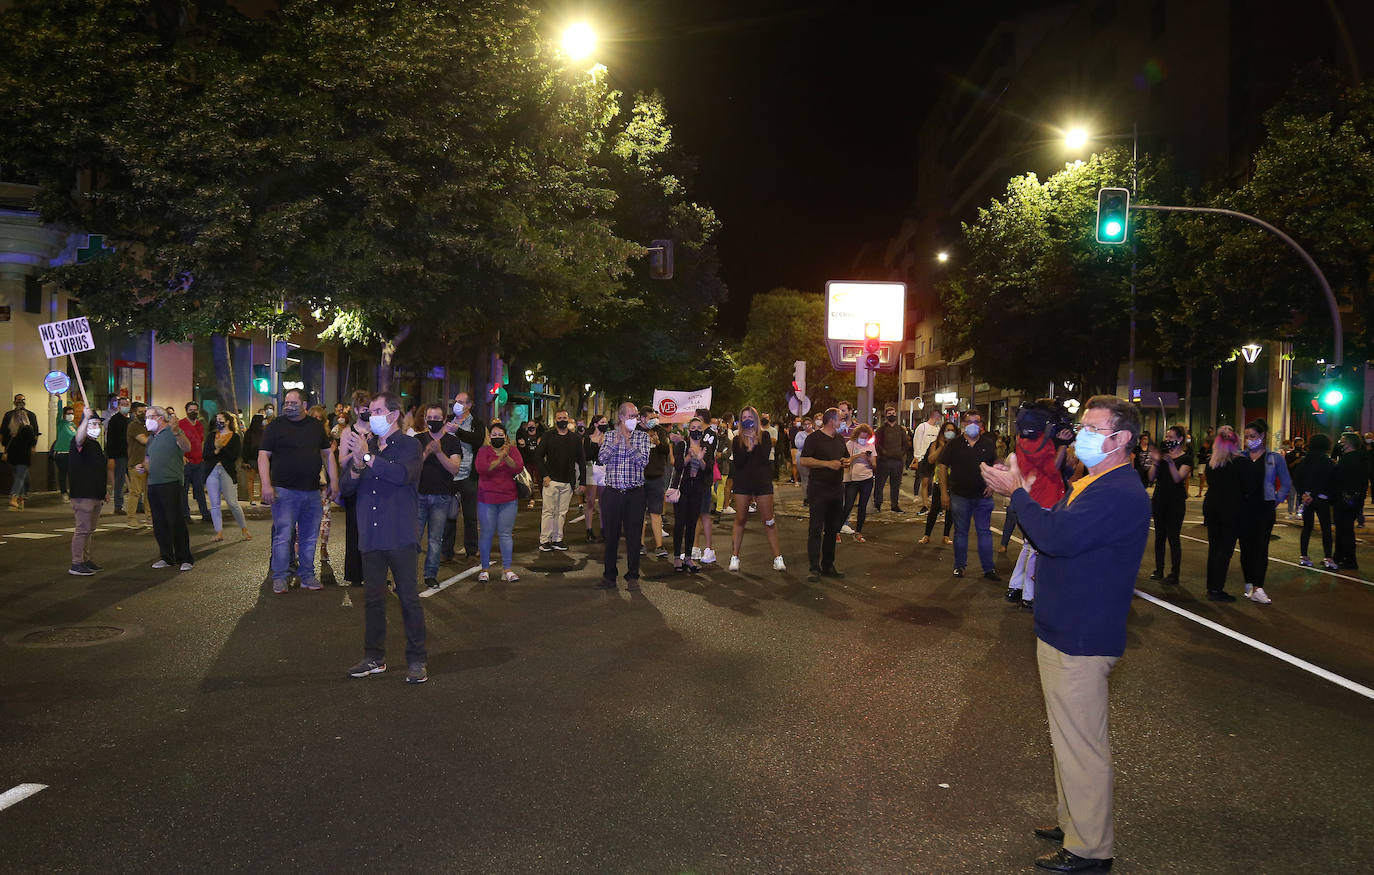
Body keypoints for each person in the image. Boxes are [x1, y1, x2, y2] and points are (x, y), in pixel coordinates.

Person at [979, 395, 1149, 875]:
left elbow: (1054, 538)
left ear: (1121, 440)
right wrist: (1023, 490)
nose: (1082, 435)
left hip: (1082, 634)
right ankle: (1074, 822)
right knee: (1067, 739)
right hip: (1066, 627)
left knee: (1082, 745)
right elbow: (1052, 527)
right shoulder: (1094, 483)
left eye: (1094, 428)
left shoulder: (1117, 491)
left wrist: (1017, 493)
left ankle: (1090, 848)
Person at [341, 392, 427, 684]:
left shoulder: (410, 445)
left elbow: (401, 474)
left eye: (376, 411)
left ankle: (416, 660)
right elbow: (345, 490)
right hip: (372, 536)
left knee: (408, 599)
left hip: (400, 534)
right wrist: (356, 464)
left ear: (393, 415)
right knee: (373, 600)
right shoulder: (367, 447)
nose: (370, 416)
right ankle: (374, 657)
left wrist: (366, 456)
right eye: (368, 411)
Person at [257, 389, 338, 594]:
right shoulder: (276, 426)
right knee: (283, 536)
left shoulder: (315, 427)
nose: (288, 406)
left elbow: (328, 455)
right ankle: (280, 577)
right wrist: (266, 484)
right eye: (286, 402)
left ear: (304, 405)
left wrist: (334, 482)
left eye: (294, 402)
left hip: (311, 492)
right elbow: (263, 456)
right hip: (283, 491)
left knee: (310, 537)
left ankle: (307, 575)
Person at [1003, 401, 1073, 609]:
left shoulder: (1027, 437)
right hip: (1043, 497)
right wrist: (1062, 445)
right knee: (1037, 548)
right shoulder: (1038, 440)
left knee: (1029, 546)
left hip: (1035, 495)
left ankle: (1016, 586)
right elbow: (1052, 468)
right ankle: (1029, 595)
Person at [940, 409, 1001, 581]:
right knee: (960, 532)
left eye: (977, 421)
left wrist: (992, 484)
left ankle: (988, 569)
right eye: (969, 421)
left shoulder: (988, 444)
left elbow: (995, 465)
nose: (973, 425)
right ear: (963, 424)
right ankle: (959, 567)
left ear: (981, 425)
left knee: (984, 532)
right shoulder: (954, 444)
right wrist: (944, 493)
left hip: (983, 496)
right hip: (960, 495)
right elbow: (943, 467)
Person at [595, 401, 650, 591]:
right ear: (621, 417)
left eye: (636, 416)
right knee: (611, 535)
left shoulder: (642, 437)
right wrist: (617, 442)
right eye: (631, 416)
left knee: (634, 536)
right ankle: (609, 575)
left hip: (635, 493)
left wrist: (627, 443)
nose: (634, 420)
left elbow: (643, 462)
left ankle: (633, 575)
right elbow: (601, 458)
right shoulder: (609, 435)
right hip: (613, 493)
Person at [727, 406, 786, 572]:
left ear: (756, 419)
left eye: (750, 416)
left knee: (769, 520)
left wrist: (755, 443)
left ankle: (777, 557)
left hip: (762, 482)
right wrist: (748, 447)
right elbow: (738, 462)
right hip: (743, 483)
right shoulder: (736, 439)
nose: (747, 419)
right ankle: (734, 556)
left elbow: (764, 457)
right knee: (740, 519)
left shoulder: (765, 436)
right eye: (744, 416)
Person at [1237, 419, 1290, 605]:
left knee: (1261, 547)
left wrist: (1275, 499)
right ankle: (1249, 583)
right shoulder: (1240, 457)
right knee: (1245, 548)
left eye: (1252, 436)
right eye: (1246, 436)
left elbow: (1286, 483)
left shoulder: (1274, 458)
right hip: (1243, 508)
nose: (1248, 440)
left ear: (1262, 436)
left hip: (1264, 508)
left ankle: (1259, 587)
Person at [416, 403, 464, 587]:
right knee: (413, 539)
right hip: (419, 495)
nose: (433, 421)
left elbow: (454, 468)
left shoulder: (452, 442)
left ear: (444, 420)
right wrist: (427, 451)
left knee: (435, 540)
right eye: (430, 418)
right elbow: (412, 467)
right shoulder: (418, 439)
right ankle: (406, 576)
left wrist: (439, 452)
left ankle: (430, 576)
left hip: (442, 497)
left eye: (437, 418)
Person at [140, 406, 194, 570]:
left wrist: (177, 431)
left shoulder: (173, 432)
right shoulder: (151, 438)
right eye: (146, 417)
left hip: (171, 482)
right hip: (153, 484)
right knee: (159, 522)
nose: (147, 420)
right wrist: (142, 467)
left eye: (150, 416)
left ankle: (184, 558)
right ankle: (166, 556)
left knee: (175, 521)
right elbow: (147, 459)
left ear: (160, 418)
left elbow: (187, 447)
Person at [799, 407, 849, 582]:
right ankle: (814, 567)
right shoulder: (814, 439)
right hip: (819, 489)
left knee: (832, 529)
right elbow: (804, 460)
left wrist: (845, 461)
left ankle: (828, 564)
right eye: (841, 418)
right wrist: (827, 464)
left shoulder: (839, 439)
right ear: (832, 421)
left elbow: (845, 457)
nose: (843, 421)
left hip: (836, 489)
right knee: (815, 529)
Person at [1202, 426, 1247, 601]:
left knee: (1214, 549)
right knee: (1225, 551)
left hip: (1212, 507)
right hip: (1231, 510)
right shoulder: (1240, 463)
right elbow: (1248, 487)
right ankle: (1216, 588)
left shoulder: (1211, 463)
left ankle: (1211, 586)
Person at [474, 422, 523, 582]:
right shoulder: (483, 451)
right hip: (487, 499)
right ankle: (484, 569)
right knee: (486, 534)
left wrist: (505, 456)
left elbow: (518, 467)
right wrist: (498, 459)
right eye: (494, 435)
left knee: (505, 534)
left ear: (506, 436)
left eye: (500, 435)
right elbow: (482, 469)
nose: (497, 438)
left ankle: (507, 569)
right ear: (489, 437)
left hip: (508, 499)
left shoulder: (512, 450)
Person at [442, 391, 486, 563]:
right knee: (449, 514)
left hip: (468, 474)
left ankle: (472, 551)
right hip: (450, 474)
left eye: (461, 402)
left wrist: (458, 431)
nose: (457, 404)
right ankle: (446, 551)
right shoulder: (448, 420)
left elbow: (478, 440)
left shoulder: (476, 423)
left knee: (470, 515)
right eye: (456, 401)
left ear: (469, 405)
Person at [1146, 425, 1193, 586]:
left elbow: (1178, 478)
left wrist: (1170, 463)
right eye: (1167, 437)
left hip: (1175, 502)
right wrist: (1157, 462)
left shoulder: (1186, 458)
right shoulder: (1163, 455)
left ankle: (1174, 573)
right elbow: (1151, 477)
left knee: (1173, 537)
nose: (1168, 440)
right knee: (1159, 537)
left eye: (1171, 437)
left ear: (1180, 439)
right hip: (1159, 499)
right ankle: (1159, 569)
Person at [534, 409, 585, 553]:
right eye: (559, 418)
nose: (562, 420)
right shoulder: (548, 436)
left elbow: (581, 460)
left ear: (568, 420)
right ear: (555, 420)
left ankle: (557, 539)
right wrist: (545, 475)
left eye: (564, 417)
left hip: (567, 482)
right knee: (548, 511)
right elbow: (538, 456)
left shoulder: (575, 438)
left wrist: (582, 482)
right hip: (551, 481)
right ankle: (545, 540)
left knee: (562, 512)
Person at [669, 416, 715, 573]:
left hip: (697, 489)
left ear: (702, 430)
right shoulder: (682, 445)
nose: (696, 431)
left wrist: (700, 459)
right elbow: (678, 465)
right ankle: (676, 557)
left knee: (692, 523)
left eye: (699, 428)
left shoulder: (706, 447)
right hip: (682, 489)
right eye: (693, 428)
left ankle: (688, 557)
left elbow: (708, 469)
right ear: (689, 430)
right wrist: (690, 456)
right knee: (680, 522)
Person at [337, 391, 373, 587]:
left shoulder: (377, 430)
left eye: (370, 409)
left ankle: (373, 572)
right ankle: (355, 574)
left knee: (374, 529)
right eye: (364, 409)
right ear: (357, 410)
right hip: (354, 482)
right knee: (354, 529)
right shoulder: (348, 432)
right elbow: (342, 461)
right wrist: (357, 451)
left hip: (374, 483)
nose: (367, 412)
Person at [66, 407, 108, 575]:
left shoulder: (95, 445)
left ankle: (85, 559)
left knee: (90, 529)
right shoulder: (79, 442)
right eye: (93, 423)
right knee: (82, 529)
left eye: (98, 424)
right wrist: (85, 419)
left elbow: (99, 470)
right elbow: (79, 438)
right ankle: (76, 563)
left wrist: (103, 491)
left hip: (95, 493)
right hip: (83, 494)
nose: (96, 426)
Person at [205, 410, 250, 542]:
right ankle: (218, 532)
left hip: (227, 471)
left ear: (228, 421)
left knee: (232, 502)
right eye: (217, 419)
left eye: (221, 419)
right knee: (214, 504)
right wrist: (216, 450)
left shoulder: (235, 437)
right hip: (212, 471)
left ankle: (244, 528)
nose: (218, 422)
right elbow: (206, 455)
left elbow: (234, 456)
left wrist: (221, 448)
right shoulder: (212, 435)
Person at [1294, 432, 1336, 570]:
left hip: (1307, 498)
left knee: (1307, 528)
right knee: (1326, 529)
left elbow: (1297, 478)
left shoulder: (1304, 460)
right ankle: (1328, 557)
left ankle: (1304, 556)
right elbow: (1328, 481)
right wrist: (1316, 493)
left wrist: (1303, 494)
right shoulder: (1327, 462)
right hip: (1321, 498)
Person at [636, 412, 670, 558]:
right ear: (642, 418)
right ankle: (640, 544)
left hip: (656, 477)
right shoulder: (635, 432)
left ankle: (659, 546)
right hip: (639, 477)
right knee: (639, 513)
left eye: (655, 417)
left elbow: (666, 451)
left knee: (656, 512)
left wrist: (658, 443)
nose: (654, 420)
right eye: (651, 417)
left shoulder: (660, 431)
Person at [918, 421, 957, 545]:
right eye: (947, 430)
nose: (949, 432)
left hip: (954, 481)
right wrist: (942, 447)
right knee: (934, 509)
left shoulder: (957, 445)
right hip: (939, 481)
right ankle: (927, 535)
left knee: (950, 510)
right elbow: (930, 459)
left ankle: (946, 535)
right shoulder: (936, 444)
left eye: (951, 430)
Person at [1332, 430, 1365, 571]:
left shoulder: (1349, 459)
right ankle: (1338, 557)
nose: (1340, 444)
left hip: (1346, 500)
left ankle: (1350, 560)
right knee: (1342, 530)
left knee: (1345, 531)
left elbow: (1339, 478)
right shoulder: (1360, 458)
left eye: (1342, 441)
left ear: (1349, 444)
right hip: (1352, 500)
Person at [841, 422, 878, 541]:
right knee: (848, 505)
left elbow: (875, 466)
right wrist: (858, 456)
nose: (863, 440)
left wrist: (869, 460)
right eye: (861, 437)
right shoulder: (850, 444)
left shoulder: (871, 446)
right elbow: (845, 460)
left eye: (865, 437)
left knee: (862, 507)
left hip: (867, 479)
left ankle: (858, 532)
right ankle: (835, 530)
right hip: (852, 480)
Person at [872, 405, 909, 513]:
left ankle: (895, 505)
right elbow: (877, 443)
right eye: (889, 414)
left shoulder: (900, 429)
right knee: (880, 484)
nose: (892, 415)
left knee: (896, 485)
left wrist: (901, 454)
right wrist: (883, 453)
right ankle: (878, 503)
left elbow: (905, 444)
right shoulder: (881, 430)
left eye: (893, 413)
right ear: (886, 416)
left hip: (897, 461)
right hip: (884, 461)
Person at [178, 402, 210, 524]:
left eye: (195, 410)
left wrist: (202, 457)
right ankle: (185, 514)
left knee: (199, 489)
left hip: (198, 461)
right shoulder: (181, 424)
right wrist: (181, 457)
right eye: (191, 410)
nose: (193, 412)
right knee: (184, 490)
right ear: (186, 411)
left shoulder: (200, 425)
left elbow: (201, 441)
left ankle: (205, 513)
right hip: (186, 462)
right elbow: (177, 441)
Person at [583, 413, 610, 542]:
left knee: (604, 502)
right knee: (590, 501)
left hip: (604, 469)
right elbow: (586, 456)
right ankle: (589, 530)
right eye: (602, 423)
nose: (605, 425)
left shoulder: (609, 437)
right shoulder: (588, 438)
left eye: (606, 422)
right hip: (591, 469)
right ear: (595, 424)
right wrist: (598, 445)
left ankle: (604, 529)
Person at [124, 401, 151, 526]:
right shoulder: (133, 426)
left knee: (149, 492)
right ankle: (131, 518)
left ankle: (150, 516)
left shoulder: (148, 425)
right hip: (136, 463)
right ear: (134, 413)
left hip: (150, 462)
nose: (143, 414)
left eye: (145, 411)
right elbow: (144, 440)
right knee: (135, 492)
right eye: (140, 412)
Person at [912, 409, 942, 513]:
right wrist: (918, 457)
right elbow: (917, 441)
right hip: (923, 458)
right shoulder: (922, 427)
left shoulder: (938, 429)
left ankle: (932, 501)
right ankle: (924, 503)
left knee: (934, 481)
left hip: (935, 458)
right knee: (924, 481)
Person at [106, 396, 131, 516]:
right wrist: (111, 457)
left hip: (132, 454)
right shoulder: (114, 420)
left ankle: (139, 504)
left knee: (136, 481)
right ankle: (118, 506)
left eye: (127, 404)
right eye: (123, 404)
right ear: (119, 406)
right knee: (120, 481)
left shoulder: (131, 420)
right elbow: (110, 440)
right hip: (119, 455)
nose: (125, 406)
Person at [241, 406, 268, 506]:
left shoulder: (263, 432)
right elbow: (245, 447)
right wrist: (245, 460)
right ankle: (253, 498)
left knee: (261, 480)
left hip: (259, 459)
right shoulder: (251, 433)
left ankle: (261, 498)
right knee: (253, 479)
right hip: (253, 459)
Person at [54, 404, 76, 501]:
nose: (70, 415)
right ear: (64, 415)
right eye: (68, 413)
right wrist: (59, 400)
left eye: (72, 413)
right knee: (63, 473)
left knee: (73, 473)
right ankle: (63, 492)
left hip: (72, 453)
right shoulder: (61, 423)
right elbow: (58, 414)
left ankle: (73, 492)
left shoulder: (73, 425)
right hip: (62, 453)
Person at [517, 421, 541, 510]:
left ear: (536, 426)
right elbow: (520, 450)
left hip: (538, 461)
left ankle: (544, 498)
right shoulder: (523, 435)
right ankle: (531, 498)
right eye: (529, 425)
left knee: (540, 480)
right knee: (529, 480)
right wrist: (522, 446)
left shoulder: (540, 436)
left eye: (533, 425)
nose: (531, 427)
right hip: (528, 461)